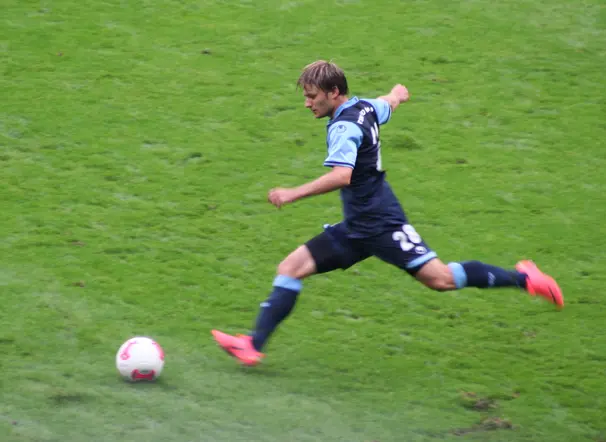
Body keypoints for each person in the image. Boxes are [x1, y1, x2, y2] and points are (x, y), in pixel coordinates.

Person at [212, 60, 564, 366]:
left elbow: (341, 175)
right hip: (357, 226)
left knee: (440, 280)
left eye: (311, 96)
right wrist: (397, 94)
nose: (307, 104)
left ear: (334, 92)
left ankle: (526, 279)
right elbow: (385, 105)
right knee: (290, 268)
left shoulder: (343, 127)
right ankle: (252, 345)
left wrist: (292, 193)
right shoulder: (363, 106)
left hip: (381, 223)